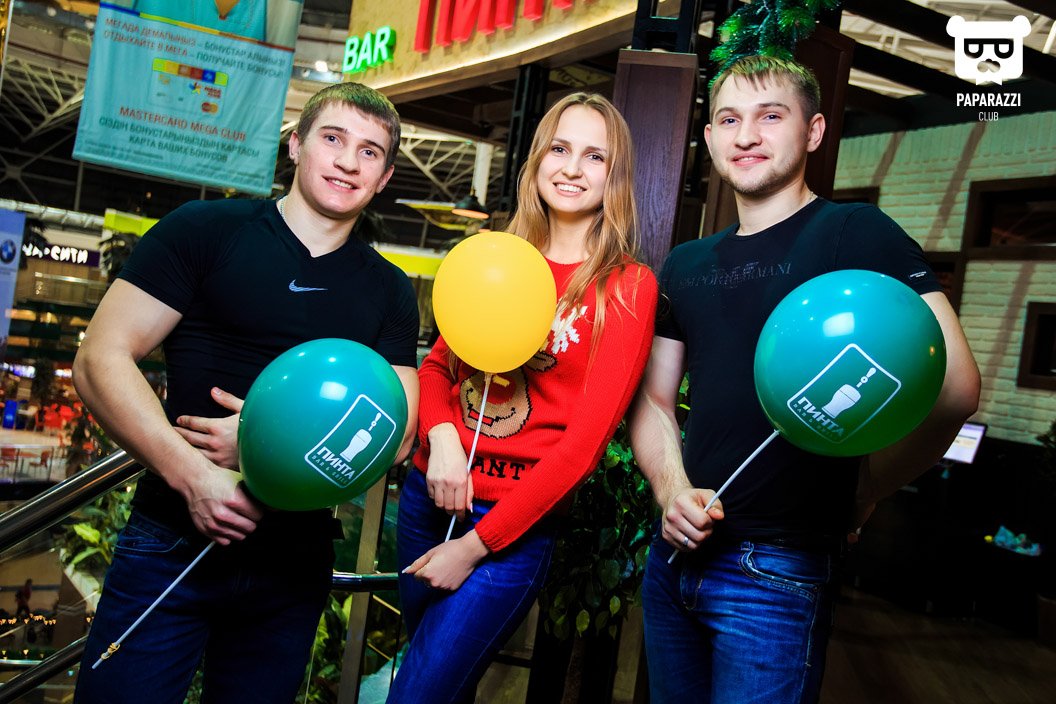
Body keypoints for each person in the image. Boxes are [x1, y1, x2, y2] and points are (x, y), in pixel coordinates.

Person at [628, 55, 981, 704]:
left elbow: (955, 387)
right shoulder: (686, 263)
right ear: (709, 138)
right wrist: (671, 488)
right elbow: (654, 399)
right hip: (674, 559)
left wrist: (866, 487)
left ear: (813, 132)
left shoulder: (856, 233)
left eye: (771, 116)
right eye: (728, 120)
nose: (746, 136)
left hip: (777, 569)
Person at [72, 82, 420, 704]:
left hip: (293, 562)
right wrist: (193, 477)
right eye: (333, 139)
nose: (347, 162)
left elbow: (397, 434)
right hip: (172, 534)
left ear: (385, 176)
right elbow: (100, 358)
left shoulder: (390, 290)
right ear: (296, 145)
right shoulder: (204, 230)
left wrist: (270, 441)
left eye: (369, 152)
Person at [388, 93, 658, 704]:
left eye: (595, 156)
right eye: (560, 149)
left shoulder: (625, 287)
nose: (572, 168)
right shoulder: (497, 255)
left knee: (417, 694)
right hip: (429, 496)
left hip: (508, 529)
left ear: (614, 177)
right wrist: (442, 440)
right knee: (436, 685)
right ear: (537, 161)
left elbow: (582, 448)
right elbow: (437, 368)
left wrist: (472, 548)